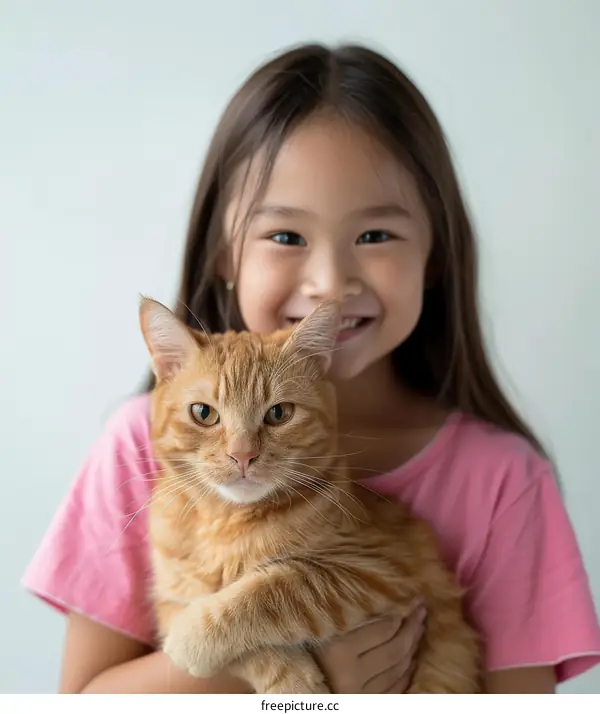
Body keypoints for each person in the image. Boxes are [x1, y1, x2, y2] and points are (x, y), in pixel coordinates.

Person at [22, 43, 600, 694]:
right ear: (223, 253)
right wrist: (290, 685)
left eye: (375, 236)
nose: (330, 284)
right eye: (287, 236)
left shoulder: (503, 479)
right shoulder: (137, 449)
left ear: (436, 253)